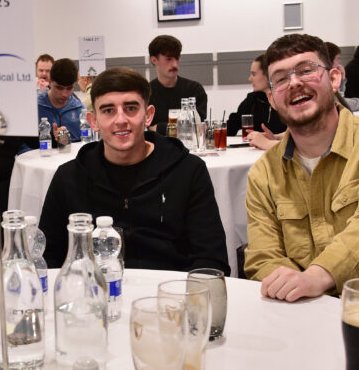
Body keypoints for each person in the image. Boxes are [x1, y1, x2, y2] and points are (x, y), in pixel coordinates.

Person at [243, 34, 359, 316]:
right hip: (302, 314)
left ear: (334, 79)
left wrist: (316, 277)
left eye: (306, 70)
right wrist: (295, 289)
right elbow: (263, 256)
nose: (295, 83)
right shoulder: (264, 173)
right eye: (281, 78)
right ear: (272, 99)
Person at [39, 67, 229, 274]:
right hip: (94, 296)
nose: (121, 120)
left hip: (171, 295)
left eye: (130, 108)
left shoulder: (188, 171)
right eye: (108, 110)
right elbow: (49, 260)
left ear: (148, 116)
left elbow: (211, 259)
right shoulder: (69, 178)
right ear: (93, 121)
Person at [225, 53, 287, 151]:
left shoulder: (287, 100)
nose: (249, 79)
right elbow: (232, 126)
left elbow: (298, 135)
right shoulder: (252, 100)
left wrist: (272, 139)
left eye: (254, 74)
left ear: (268, 75)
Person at [147, 35, 207, 131]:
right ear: (154, 60)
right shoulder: (146, 92)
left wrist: (158, 127)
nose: (175, 64)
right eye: (169, 59)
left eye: (177, 58)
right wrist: (181, 126)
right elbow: (143, 128)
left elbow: (197, 126)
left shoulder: (194, 89)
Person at [38, 58, 86, 143]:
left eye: (69, 88)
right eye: (59, 88)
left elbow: (86, 144)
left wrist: (66, 142)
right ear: (50, 82)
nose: (64, 94)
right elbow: (24, 146)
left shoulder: (80, 110)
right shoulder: (36, 107)